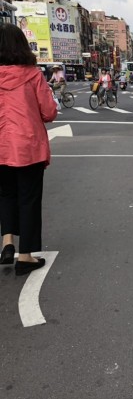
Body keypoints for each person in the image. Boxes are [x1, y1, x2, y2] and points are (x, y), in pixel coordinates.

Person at [0, 23, 58, 276]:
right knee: (29, 198)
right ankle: (25, 256)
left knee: (6, 196)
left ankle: (7, 243)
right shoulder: (33, 75)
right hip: (27, 146)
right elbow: (49, 112)